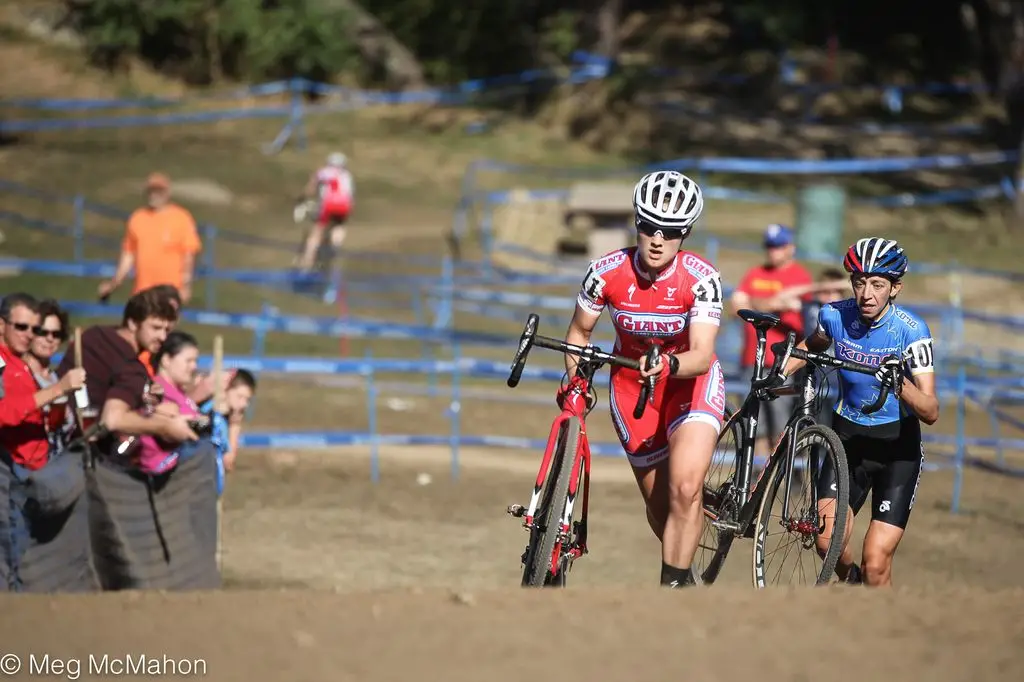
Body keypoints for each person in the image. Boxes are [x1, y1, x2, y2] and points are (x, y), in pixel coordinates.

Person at [564, 170, 725, 588]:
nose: (657, 239)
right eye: (648, 227)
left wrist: (670, 366)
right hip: (632, 389)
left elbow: (702, 354)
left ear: (685, 234)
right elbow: (579, 334)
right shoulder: (605, 272)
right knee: (661, 508)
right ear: (636, 223)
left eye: (670, 232)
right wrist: (576, 381)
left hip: (687, 383)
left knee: (685, 487)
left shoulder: (702, 280)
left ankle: (669, 592)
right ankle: (684, 579)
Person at [776, 237, 939, 588]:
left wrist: (901, 386)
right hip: (847, 442)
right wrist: (780, 373)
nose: (867, 293)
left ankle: (882, 624)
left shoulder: (911, 332)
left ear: (895, 288)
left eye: (878, 285)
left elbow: (931, 410)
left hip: (897, 449)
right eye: (860, 282)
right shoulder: (834, 316)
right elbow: (812, 345)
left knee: (877, 563)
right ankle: (849, 581)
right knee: (826, 541)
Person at [56, 287, 198, 456]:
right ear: (132, 323)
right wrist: (164, 426)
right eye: (155, 327)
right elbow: (112, 419)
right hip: (78, 450)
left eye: (166, 330)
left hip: (51, 435)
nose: (163, 337)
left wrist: (144, 401)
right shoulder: (131, 368)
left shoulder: (93, 334)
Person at [730, 224, 813, 458]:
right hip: (752, 360)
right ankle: (756, 479)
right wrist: (773, 303)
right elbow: (736, 307)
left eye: (778, 246)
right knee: (754, 426)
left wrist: (755, 303)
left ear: (790, 248)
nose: (772, 251)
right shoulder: (755, 274)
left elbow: (809, 317)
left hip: (783, 363)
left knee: (781, 423)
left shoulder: (800, 277)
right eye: (769, 246)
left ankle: (785, 476)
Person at [0, 294, 86, 471]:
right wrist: (59, 389)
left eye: (33, 329)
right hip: (14, 469)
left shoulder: (21, 365)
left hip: (42, 466)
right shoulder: (5, 363)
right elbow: (5, 413)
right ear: (2, 325)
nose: (29, 335)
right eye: (22, 327)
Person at [97, 173, 202, 304]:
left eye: (159, 191)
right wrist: (114, 283)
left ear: (167, 193)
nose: (155, 195)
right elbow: (128, 255)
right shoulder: (137, 218)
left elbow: (188, 255)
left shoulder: (182, 218)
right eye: (151, 191)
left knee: (163, 324)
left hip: (170, 292)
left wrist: (186, 286)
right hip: (142, 291)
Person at [133, 331, 202, 475]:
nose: (194, 367)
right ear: (166, 360)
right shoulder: (155, 393)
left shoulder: (178, 393)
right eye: (188, 361)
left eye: (196, 361)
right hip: (164, 477)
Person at [23, 299, 76, 454]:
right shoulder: (19, 374)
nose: (50, 338)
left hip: (56, 463)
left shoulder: (56, 377)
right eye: (42, 332)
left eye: (56, 334)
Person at [297, 152, 354, 272]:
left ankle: (307, 263)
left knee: (316, 233)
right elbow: (350, 195)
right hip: (344, 205)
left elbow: (311, 188)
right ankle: (335, 252)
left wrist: (302, 197)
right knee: (338, 226)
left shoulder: (324, 172)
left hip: (328, 204)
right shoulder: (347, 175)